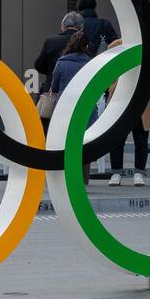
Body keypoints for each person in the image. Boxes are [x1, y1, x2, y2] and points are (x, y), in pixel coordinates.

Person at [101, 39, 150, 187]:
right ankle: (116, 172)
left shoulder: (145, 46)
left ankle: (139, 172)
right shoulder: (115, 46)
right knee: (117, 139)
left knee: (141, 139)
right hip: (120, 100)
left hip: (140, 99)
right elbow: (107, 70)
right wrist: (111, 86)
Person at [49, 29, 96, 185]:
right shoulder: (91, 63)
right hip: (86, 108)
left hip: (65, 108)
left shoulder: (61, 62)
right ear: (87, 45)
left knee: (65, 143)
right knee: (83, 144)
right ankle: (83, 180)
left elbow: (54, 88)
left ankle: (66, 178)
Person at [34, 11, 84, 93]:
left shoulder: (51, 41)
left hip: (52, 90)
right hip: (78, 91)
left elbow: (39, 65)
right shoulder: (87, 44)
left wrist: (51, 70)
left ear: (63, 26)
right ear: (81, 28)